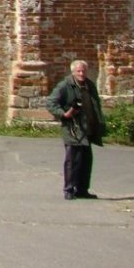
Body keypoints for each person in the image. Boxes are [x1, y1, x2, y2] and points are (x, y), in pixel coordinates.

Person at [46, 59, 105, 200]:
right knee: (73, 161)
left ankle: (82, 189)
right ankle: (69, 189)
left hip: (88, 129)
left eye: (84, 71)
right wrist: (63, 114)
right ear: (73, 72)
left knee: (86, 161)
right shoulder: (65, 85)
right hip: (73, 129)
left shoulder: (89, 85)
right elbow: (51, 102)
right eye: (78, 71)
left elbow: (95, 105)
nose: (82, 73)